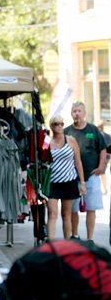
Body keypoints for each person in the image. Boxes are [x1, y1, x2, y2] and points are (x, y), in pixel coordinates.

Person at [64, 101, 108, 241]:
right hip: (72, 177)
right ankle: (75, 236)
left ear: (84, 113)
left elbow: (102, 150)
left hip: (92, 176)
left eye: (78, 111)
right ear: (71, 114)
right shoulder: (66, 132)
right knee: (73, 210)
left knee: (91, 208)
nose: (76, 113)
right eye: (73, 111)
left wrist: (101, 167)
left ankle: (90, 239)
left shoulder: (93, 130)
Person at [46, 115, 86, 239]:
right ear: (51, 126)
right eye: (56, 124)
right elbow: (42, 161)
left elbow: (78, 162)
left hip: (69, 182)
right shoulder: (47, 141)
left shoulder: (71, 140)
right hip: (52, 183)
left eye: (61, 124)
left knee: (66, 215)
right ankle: (51, 244)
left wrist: (82, 183)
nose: (59, 126)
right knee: (52, 213)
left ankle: (67, 244)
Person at [97, 121, 111, 194]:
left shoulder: (94, 135)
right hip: (105, 157)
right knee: (102, 173)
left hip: (102, 157)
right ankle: (105, 189)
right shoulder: (107, 135)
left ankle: (105, 190)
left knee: (102, 173)